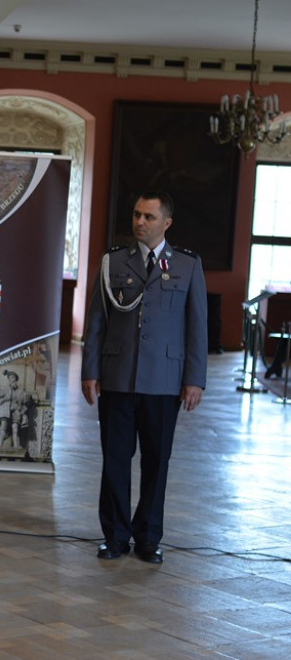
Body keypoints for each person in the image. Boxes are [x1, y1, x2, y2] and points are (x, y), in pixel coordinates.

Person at [81, 191, 207, 564]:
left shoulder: (187, 265)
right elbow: (96, 321)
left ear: (166, 223)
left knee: (157, 461)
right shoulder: (113, 262)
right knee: (115, 460)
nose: (140, 222)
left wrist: (194, 379)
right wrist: (90, 370)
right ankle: (116, 536)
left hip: (164, 381)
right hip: (117, 377)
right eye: (137, 215)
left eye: (149, 217)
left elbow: (196, 327)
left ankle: (148, 537)